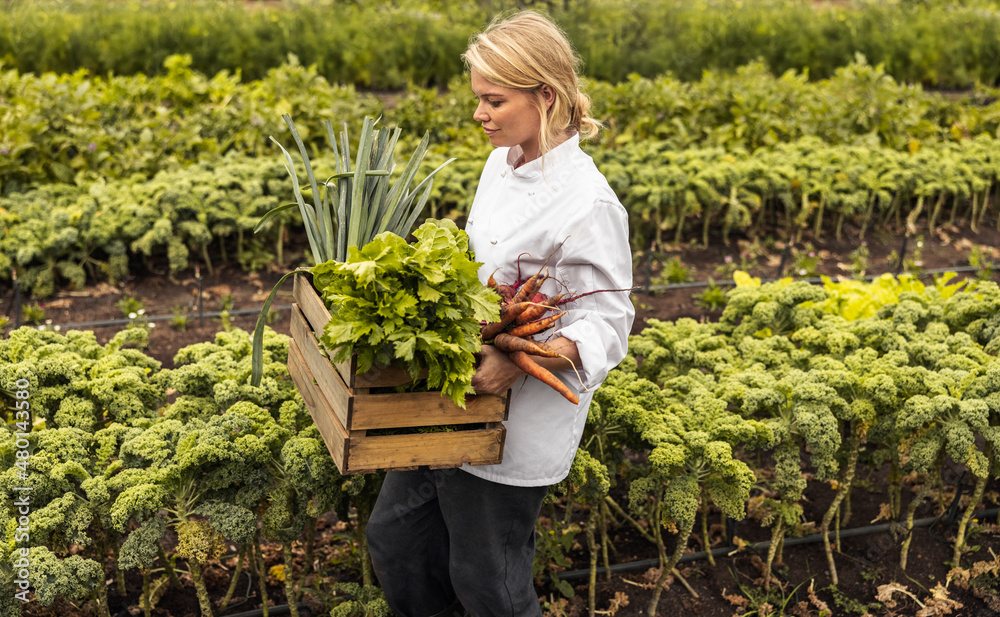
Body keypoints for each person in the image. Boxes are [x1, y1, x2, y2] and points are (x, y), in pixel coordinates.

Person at [365, 10, 634, 617]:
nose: (479, 114)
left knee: (488, 582)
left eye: (493, 100)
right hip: (449, 397)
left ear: (545, 95)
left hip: (515, 422)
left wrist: (519, 362)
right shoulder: (500, 163)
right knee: (397, 542)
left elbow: (609, 321)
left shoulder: (588, 202)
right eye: (477, 99)